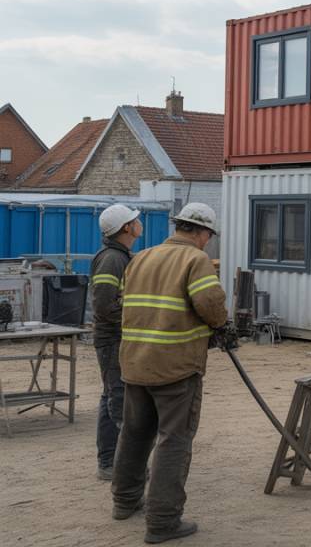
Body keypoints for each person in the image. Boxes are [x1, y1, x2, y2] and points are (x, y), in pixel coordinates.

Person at [111, 203, 227, 544]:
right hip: (175, 368)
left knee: (134, 434)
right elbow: (210, 303)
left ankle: (124, 501)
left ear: (178, 226)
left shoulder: (142, 257)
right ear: (202, 233)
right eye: (208, 236)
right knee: (174, 441)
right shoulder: (196, 260)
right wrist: (220, 325)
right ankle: (162, 521)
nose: (207, 241)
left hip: (135, 363)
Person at [89, 204, 143, 480]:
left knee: (110, 397)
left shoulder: (122, 256)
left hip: (117, 338)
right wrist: (139, 316)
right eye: (135, 219)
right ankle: (118, 466)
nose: (139, 222)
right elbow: (104, 307)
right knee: (118, 401)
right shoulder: (111, 259)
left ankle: (109, 461)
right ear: (126, 228)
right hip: (112, 341)